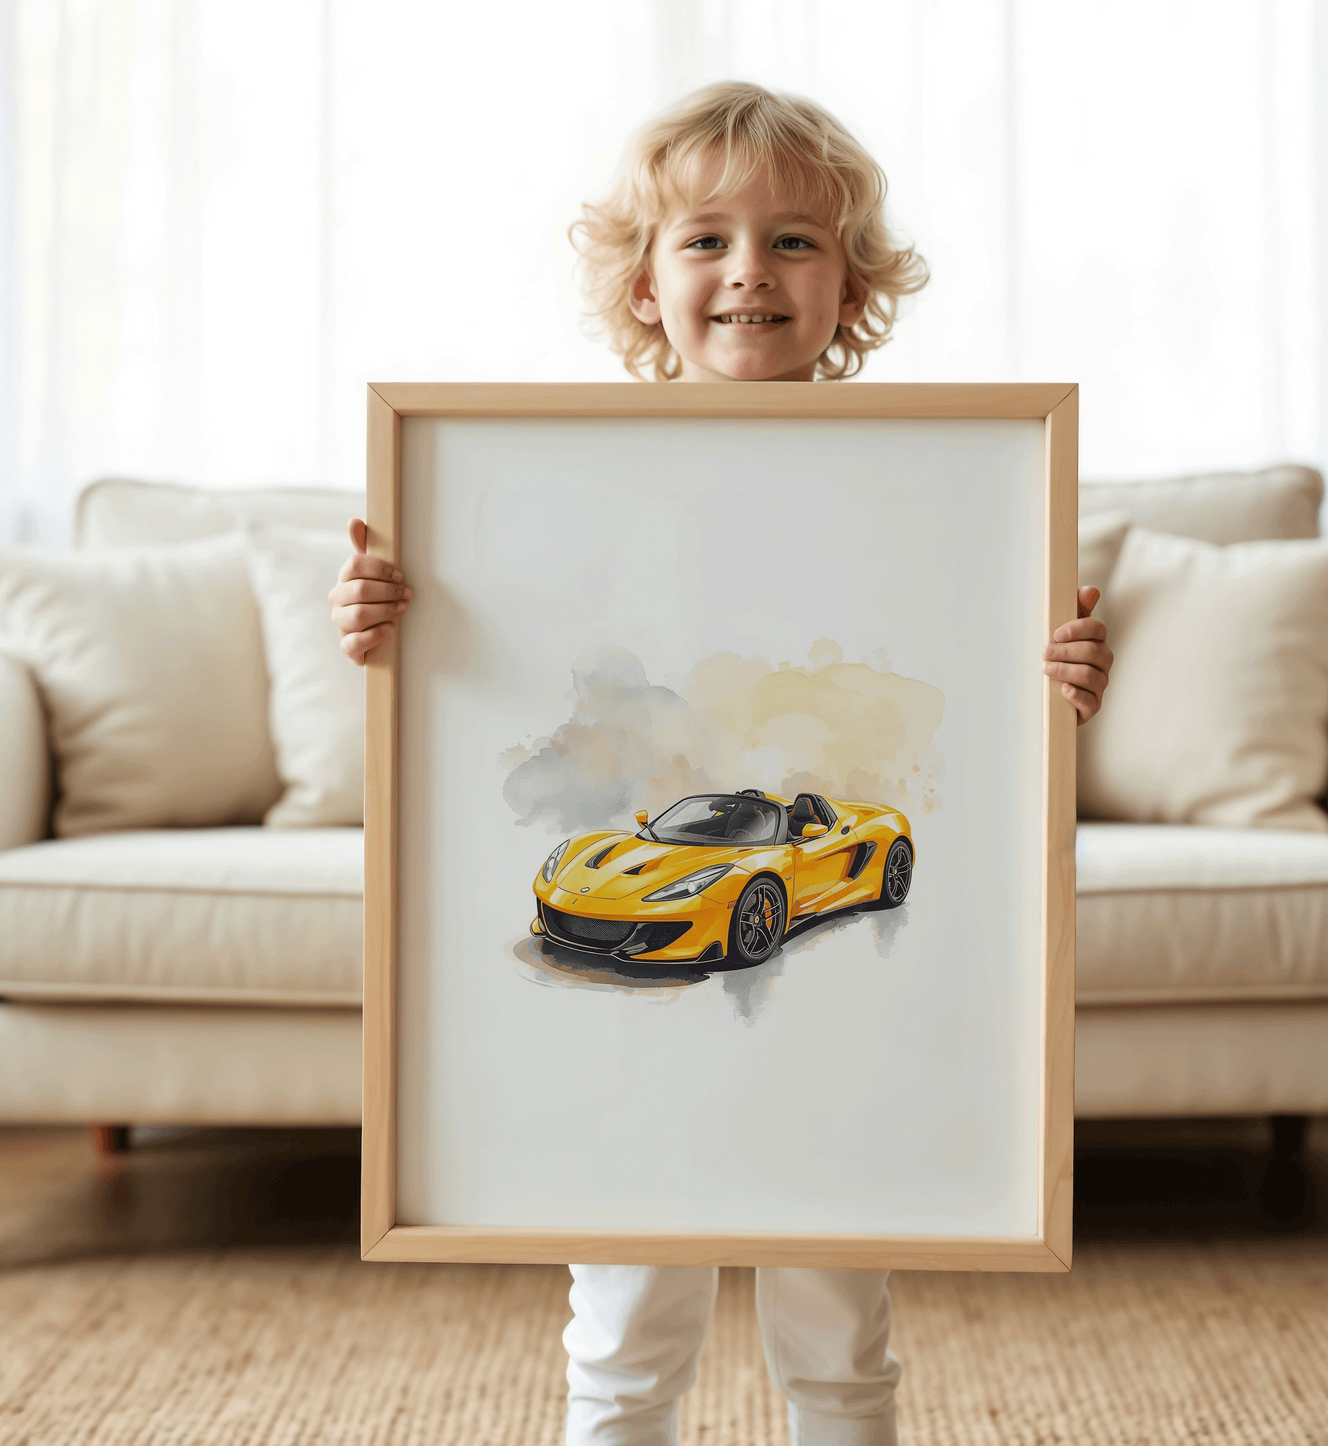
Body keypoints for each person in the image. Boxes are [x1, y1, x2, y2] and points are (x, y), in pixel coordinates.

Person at [330, 81, 1113, 1446]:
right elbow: (508, 679)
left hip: (837, 1055)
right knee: (624, 1329)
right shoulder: (551, 491)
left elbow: (967, 702)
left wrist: (1051, 681)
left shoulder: (938, 496)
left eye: (795, 241)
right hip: (631, 1074)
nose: (750, 268)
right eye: (705, 239)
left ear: (853, 284)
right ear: (643, 282)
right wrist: (399, 621)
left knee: (838, 1329)